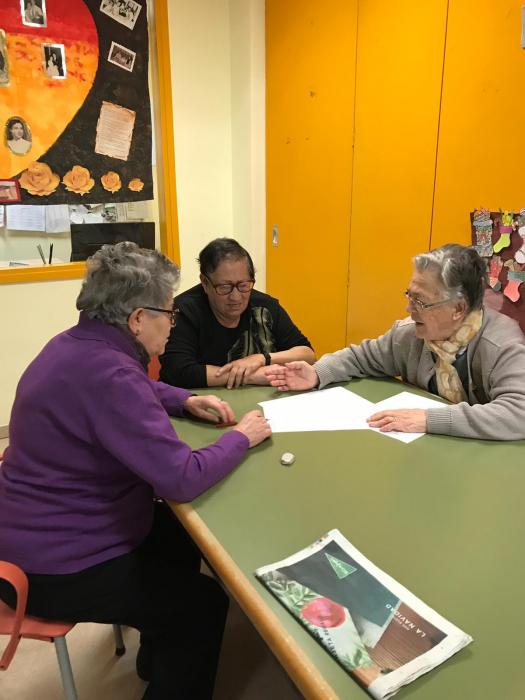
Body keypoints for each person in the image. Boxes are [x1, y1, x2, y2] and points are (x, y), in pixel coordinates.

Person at [0, 242, 271, 700]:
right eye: (169, 312)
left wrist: (183, 399)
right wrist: (241, 437)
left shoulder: (75, 345)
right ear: (138, 319)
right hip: (56, 568)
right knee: (202, 606)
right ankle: (168, 664)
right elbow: (181, 477)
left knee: (179, 537)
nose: (173, 322)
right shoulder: (111, 375)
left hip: (31, 536)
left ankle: (157, 659)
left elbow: (135, 387)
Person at [266, 243, 525, 441]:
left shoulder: (501, 344)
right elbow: (361, 357)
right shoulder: (410, 334)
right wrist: (317, 373)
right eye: (409, 296)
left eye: (420, 301)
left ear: (458, 308)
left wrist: (429, 419)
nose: (408, 309)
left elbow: (518, 412)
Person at [159, 237, 316, 389]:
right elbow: (178, 371)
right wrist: (251, 376)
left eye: (243, 285)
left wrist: (262, 358)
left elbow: (307, 354)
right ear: (205, 283)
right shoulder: (182, 311)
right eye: (225, 287)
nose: (235, 297)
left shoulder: (265, 307)